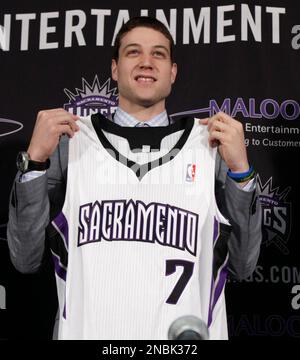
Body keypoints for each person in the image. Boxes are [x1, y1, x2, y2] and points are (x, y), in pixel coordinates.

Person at [7, 17, 262, 340]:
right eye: (133, 52)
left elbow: (243, 265)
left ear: (172, 72)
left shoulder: (211, 146)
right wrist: (34, 163)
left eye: (158, 54)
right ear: (114, 69)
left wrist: (242, 172)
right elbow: (25, 258)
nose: (146, 62)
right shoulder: (69, 143)